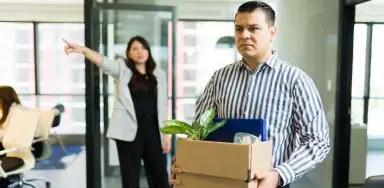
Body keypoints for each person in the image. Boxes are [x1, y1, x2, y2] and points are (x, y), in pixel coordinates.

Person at [171, 1, 330, 188]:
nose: (244, 35)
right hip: (221, 181)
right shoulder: (220, 78)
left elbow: (318, 141)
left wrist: (279, 175)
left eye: (253, 28)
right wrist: (185, 165)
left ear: (272, 33)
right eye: (239, 29)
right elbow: (198, 133)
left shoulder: (296, 80)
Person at [63, 36, 171, 188]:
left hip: (153, 132)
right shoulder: (122, 69)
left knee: (160, 176)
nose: (140, 51)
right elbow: (102, 61)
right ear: (128, 54)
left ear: (148, 51)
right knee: (130, 179)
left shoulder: (159, 74)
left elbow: (163, 106)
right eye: (135, 48)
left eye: (143, 47)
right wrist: (82, 50)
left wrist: (166, 134)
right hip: (128, 134)